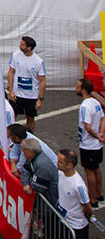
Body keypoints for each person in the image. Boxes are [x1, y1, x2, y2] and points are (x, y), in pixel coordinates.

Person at [7, 36, 46, 132]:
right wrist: (11, 90)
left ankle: (30, 137)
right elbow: (11, 72)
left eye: (22, 44)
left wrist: (40, 99)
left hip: (31, 96)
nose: (20, 46)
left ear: (29, 48)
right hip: (17, 94)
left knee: (30, 119)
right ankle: (10, 138)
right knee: (12, 115)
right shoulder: (16, 55)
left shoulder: (38, 62)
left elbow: (42, 81)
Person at [76, 77, 105, 205]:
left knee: (89, 171)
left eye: (78, 86)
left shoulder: (85, 106)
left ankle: (92, 199)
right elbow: (103, 118)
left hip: (88, 145)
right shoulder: (95, 102)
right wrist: (101, 133)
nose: (76, 88)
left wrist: (97, 135)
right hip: (97, 145)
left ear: (83, 90)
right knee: (96, 168)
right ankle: (99, 194)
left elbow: (87, 126)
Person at [57, 149, 94, 239]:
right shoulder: (61, 174)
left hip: (77, 226)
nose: (57, 163)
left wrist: (88, 216)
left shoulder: (78, 186)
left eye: (60, 162)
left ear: (69, 165)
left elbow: (87, 206)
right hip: (64, 221)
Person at [21, 137, 59, 204]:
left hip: (49, 203)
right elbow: (25, 171)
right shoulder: (32, 158)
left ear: (30, 151)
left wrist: (28, 182)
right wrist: (26, 183)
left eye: (24, 149)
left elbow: (37, 187)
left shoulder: (42, 165)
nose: (22, 151)